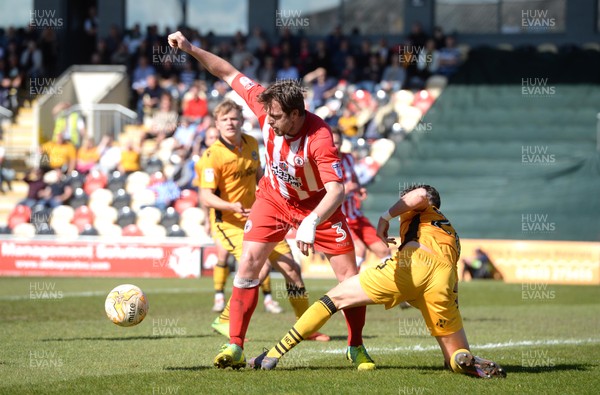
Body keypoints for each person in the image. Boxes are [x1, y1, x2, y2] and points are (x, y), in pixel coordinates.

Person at [168, 31, 370, 370]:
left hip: (316, 205)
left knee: (349, 279)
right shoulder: (266, 103)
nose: (268, 121)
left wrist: (310, 221)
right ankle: (235, 345)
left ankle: (356, 345)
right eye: (268, 115)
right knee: (248, 262)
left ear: (294, 114)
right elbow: (227, 72)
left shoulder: (320, 138)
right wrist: (190, 49)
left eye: (275, 117)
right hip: (273, 198)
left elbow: (337, 190)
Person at [248, 185, 507, 379]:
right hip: (445, 280)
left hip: (413, 265)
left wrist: (385, 218)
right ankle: (464, 361)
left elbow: (418, 194)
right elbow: (449, 278)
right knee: (455, 355)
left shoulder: (424, 204)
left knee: (333, 298)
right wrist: (450, 310)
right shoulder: (449, 230)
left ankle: (273, 354)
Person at [198, 99, 329, 338]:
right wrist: (230, 206)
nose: (230, 123)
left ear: (241, 121)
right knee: (259, 268)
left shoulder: (250, 143)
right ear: (216, 124)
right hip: (229, 223)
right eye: (225, 119)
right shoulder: (211, 156)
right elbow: (206, 196)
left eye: (235, 118)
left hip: (260, 218)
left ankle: (306, 326)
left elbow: (260, 175)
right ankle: (225, 320)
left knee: (292, 270)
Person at [331, 128, 391, 269]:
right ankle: (349, 285)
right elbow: (325, 195)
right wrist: (347, 189)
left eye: (338, 142)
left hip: (355, 215)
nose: (335, 146)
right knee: (359, 251)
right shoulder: (324, 163)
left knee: (384, 250)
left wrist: (358, 187)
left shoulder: (349, 158)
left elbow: (354, 178)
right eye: (332, 143)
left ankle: (391, 287)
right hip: (339, 217)